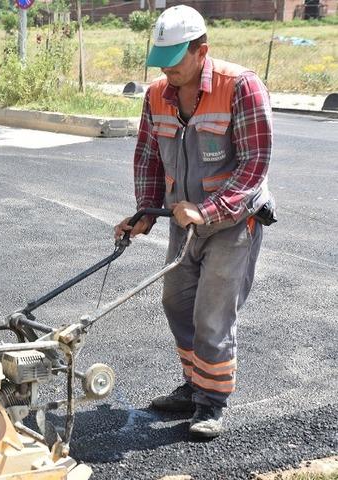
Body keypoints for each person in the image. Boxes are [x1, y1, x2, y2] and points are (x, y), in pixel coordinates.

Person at [114, 5, 276, 439]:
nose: (167, 72)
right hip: (183, 224)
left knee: (212, 316)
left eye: (176, 62)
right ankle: (193, 384)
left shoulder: (241, 87)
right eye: (160, 63)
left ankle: (212, 402)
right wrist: (145, 212)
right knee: (177, 303)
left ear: (202, 50)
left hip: (232, 224)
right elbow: (148, 157)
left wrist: (207, 211)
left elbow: (254, 166)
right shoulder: (156, 96)